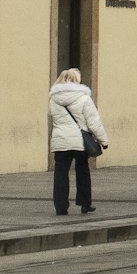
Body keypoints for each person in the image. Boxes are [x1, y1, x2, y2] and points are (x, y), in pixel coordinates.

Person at [47, 67, 107, 216]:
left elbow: (50, 119)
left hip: (60, 140)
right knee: (82, 171)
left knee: (60, 173)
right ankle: (85, 203)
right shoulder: (84, 98)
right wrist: (103, 140)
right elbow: (93, 121)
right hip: (80, 141)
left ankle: (61, 206)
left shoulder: (53, 99)